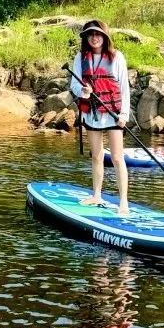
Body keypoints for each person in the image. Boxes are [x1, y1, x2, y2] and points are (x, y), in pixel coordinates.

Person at [68, 20, 132, 215]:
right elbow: (74, 85)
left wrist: (124, 114)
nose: (94, 38)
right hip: (91, 113)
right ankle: (96, 195)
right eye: (90, 35)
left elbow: (123, 88)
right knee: (96, 156)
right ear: (86, 38)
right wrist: (84, 91)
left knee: (117, 157)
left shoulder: (116, 57)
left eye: (98, 34)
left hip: (113, 113)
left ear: (105, 37)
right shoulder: (80, 57)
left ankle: (123, 202)